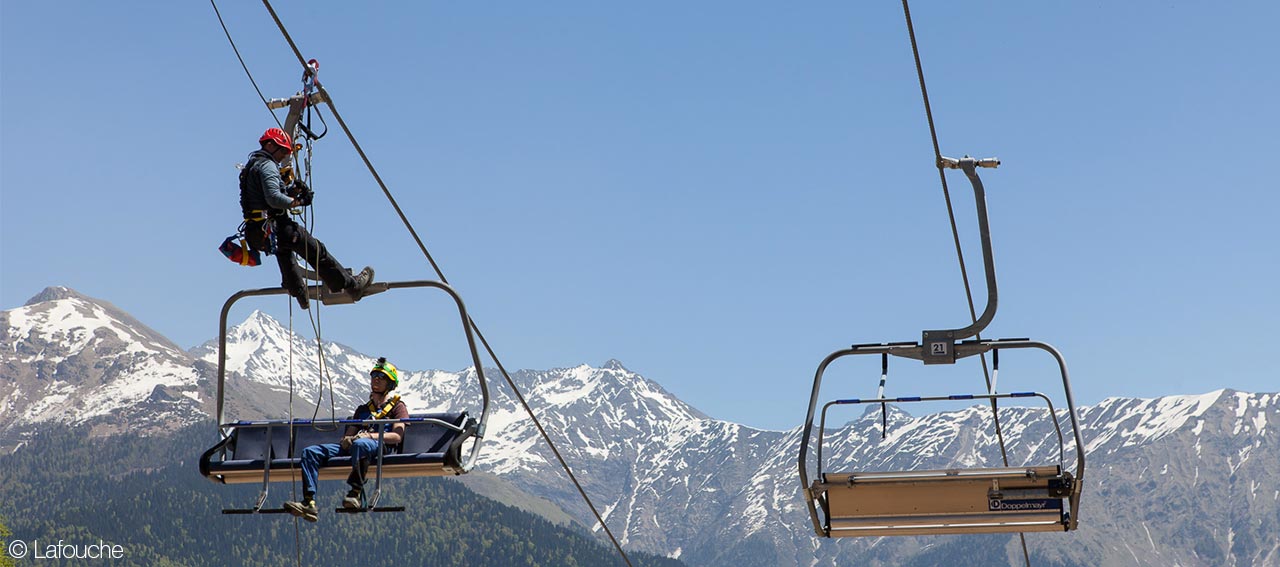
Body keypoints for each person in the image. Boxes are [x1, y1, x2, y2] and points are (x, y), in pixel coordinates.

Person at [239, 127, 374, 310]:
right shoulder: (267, 166)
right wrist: (298, 201)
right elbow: (274, 199)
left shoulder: (251, 166)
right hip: (275, 226)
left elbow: (264, 197)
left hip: (257, 230)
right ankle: (351, 285)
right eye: (283, 151)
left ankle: (298, 292)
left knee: (284, 253)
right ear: (270, 145)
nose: (284, 156)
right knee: (315, 250)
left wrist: (290, 191)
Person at [284, 357, 409, 522]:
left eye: (382, 377)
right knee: (310, 452)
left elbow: (397, 436)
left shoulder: (398, 407)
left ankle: (355, 493)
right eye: (374, 376)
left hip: (378, 445)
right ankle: (309, 501)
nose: (376, 380)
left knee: (361, 444)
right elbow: (349, 434)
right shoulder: (363, 409)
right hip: (357, 444)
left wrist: (369, 436)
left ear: (390, 384)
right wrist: (346, 440)